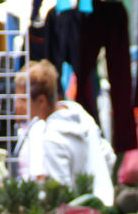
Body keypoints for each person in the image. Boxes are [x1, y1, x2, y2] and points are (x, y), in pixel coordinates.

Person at [14, 60, 116, 205]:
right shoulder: (81, 115)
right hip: (105, 206)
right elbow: (109, 156)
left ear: (41, 100)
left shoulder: (52, 137)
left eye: (23, 100)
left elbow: (60, 193)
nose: (18, 105)